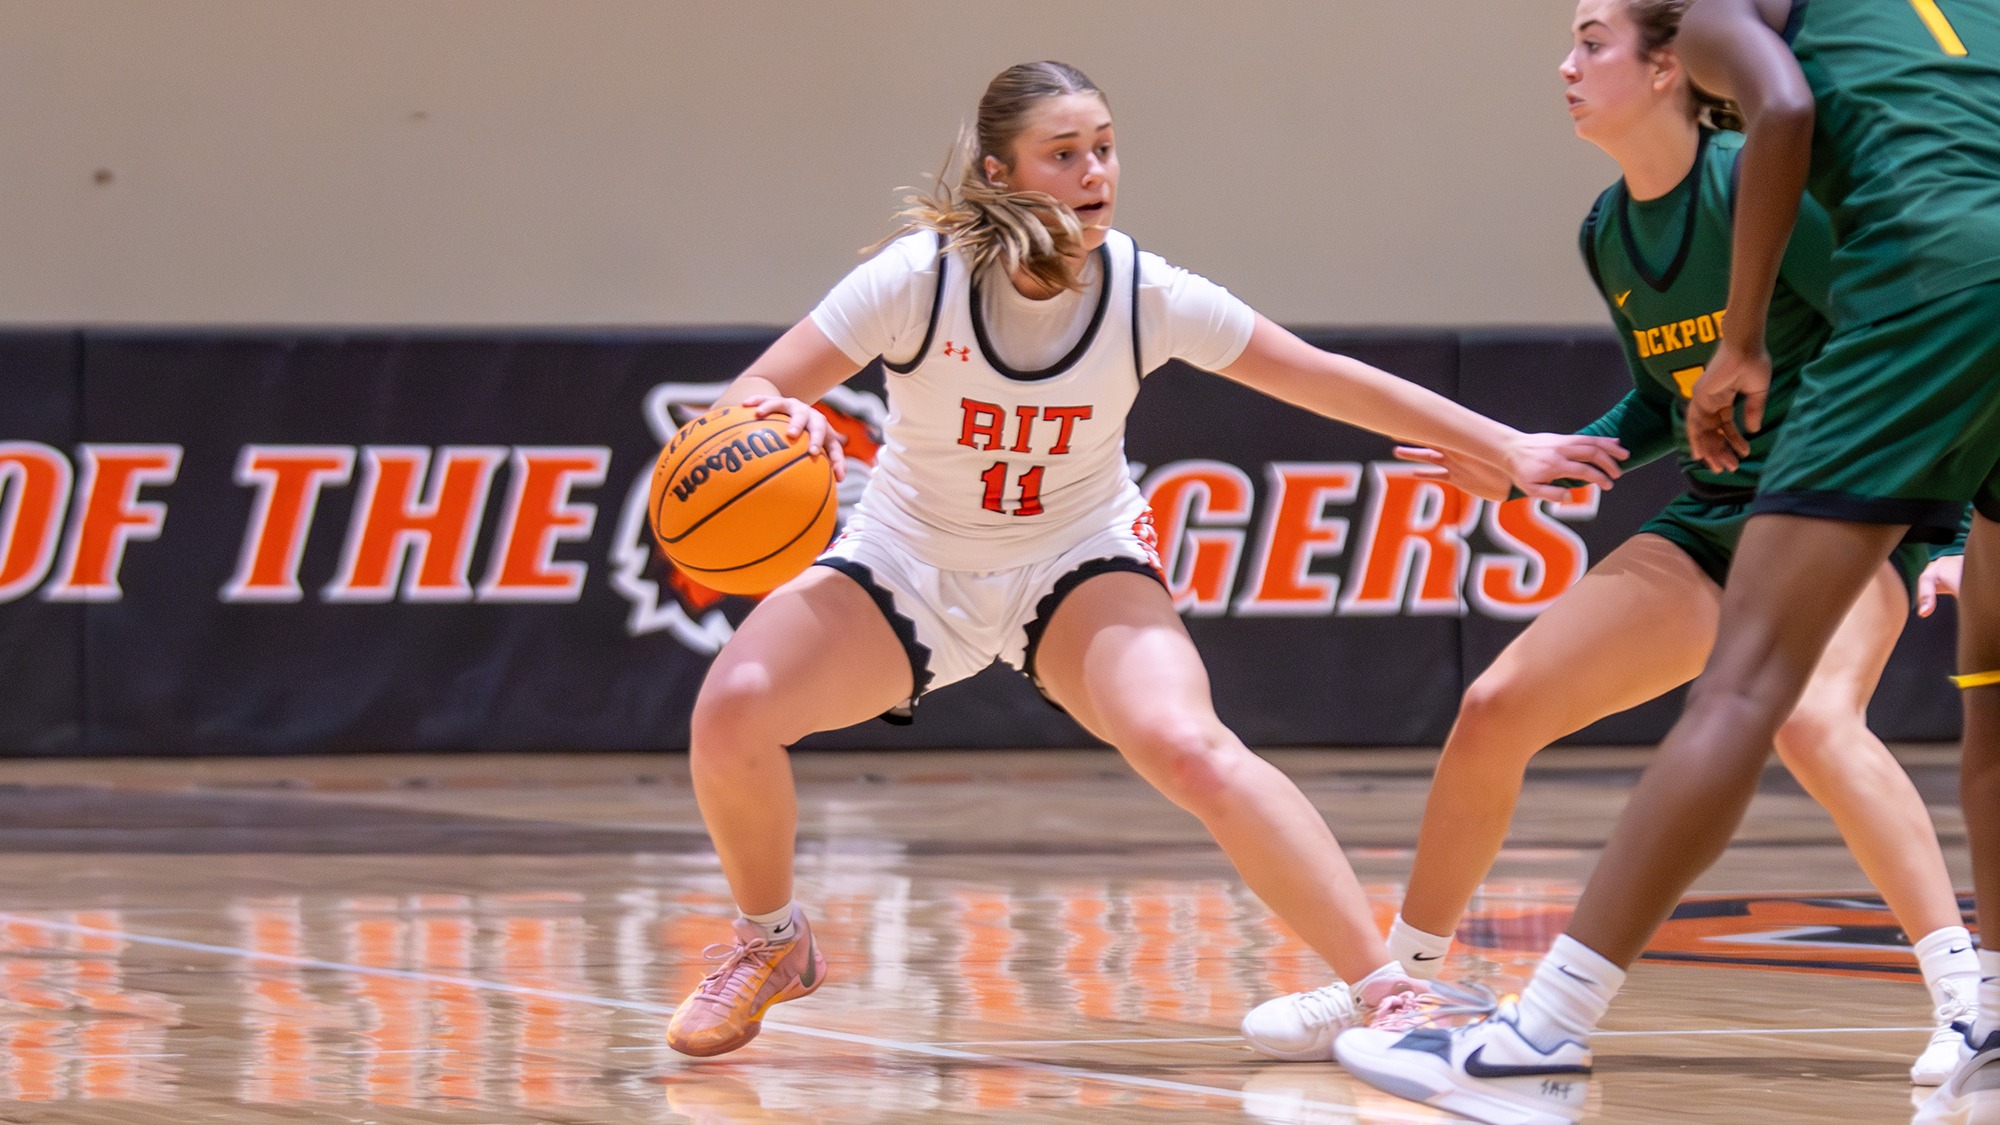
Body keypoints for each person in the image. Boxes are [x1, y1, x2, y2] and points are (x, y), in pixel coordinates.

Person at [661, 60, 1629, 1059]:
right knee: (729, 710)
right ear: (1000, 173)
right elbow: (744, 398)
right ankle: (771, 943)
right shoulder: (919, 277)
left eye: (1104, 148)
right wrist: (784, 419)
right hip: (908, 557)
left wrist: (1506, 445)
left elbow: (1325, 379)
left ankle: (1386, 992)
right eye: (1064, 153)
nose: (1094, 173)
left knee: (1188, 745)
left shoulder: (1140, 291)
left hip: (1075, 558)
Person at [1238, 0, 1975, 1085]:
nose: (1565, 66)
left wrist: (1950, 528)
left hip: (1849, 503)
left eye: (1591, 42)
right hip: (1718, 517)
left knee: (1814, 723)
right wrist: (1553, 453)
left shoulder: (1756, 188)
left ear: (1670, 67)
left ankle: (1966, 995)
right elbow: (1658, 398)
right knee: (1494, 707)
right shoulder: (1607, 230)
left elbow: (1905, 340)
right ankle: (1405, 980)